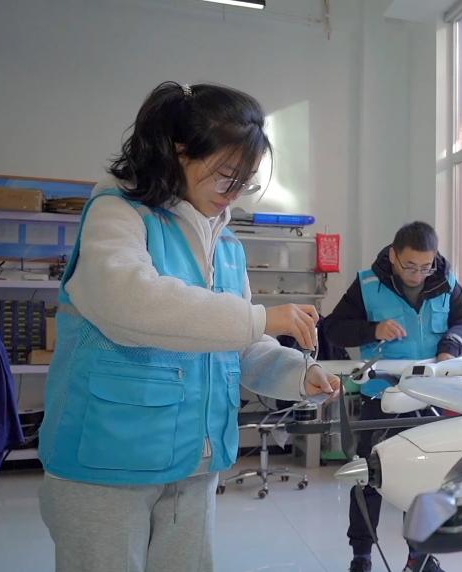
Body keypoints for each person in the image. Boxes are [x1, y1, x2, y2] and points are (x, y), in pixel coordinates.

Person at [36, 81, 340, 572]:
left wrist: (298, 374)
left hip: (194, 463)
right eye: (226, 177)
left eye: (245, 183)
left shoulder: (228, 245)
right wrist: (262, 317)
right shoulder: (118, 212)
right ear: (179, 153)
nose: (234, 195)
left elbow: (240, 343)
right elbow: (130, 304)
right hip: (108, 462)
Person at [326, 221, 462, 572]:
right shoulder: (368, 284)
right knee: (369, 478)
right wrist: (373, 330)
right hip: (381, 398)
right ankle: (361, 556)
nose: (417, 275)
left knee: (425, 480)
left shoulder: (445, 282)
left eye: (425, 267)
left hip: (428, 397)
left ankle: (419, 558)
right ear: (394, 256)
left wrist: (450, 346)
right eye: (410, 266)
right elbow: (333, 329)